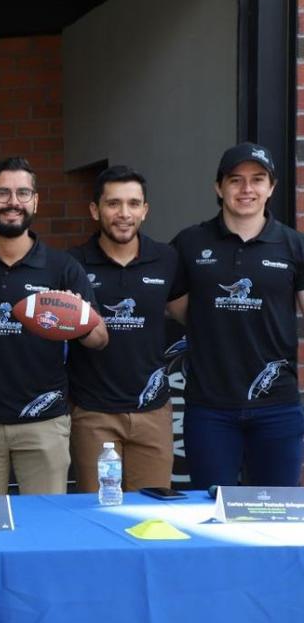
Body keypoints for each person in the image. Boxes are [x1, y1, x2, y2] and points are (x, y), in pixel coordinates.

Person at [0, 157, 108, 496]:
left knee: (45, 533)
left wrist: (75, 317)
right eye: (2, 193)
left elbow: (99, 338)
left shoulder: (63, 267)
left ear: (35, 201)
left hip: (44, 422)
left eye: (22, 193)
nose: (13, 202)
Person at [167, 142, 304, 489]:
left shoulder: (293, 245)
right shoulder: (190, 243)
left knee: (278, 515)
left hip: (277, 407)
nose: (247, 189)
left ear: (271, 188)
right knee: (207, 513)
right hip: (210, 408)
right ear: (219, 187)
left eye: (257, 180)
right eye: (235, 180)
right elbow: (178, 308)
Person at [67, 166, 178, 492]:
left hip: (153, 413)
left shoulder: (167, 259)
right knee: (99, 516)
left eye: (133, 203)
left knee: (152, 516)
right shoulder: (72, 264)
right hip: (93, 413)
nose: (124, 213)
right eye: (113, 204)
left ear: (145, 210)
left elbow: (192, 314)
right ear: (95, 210)